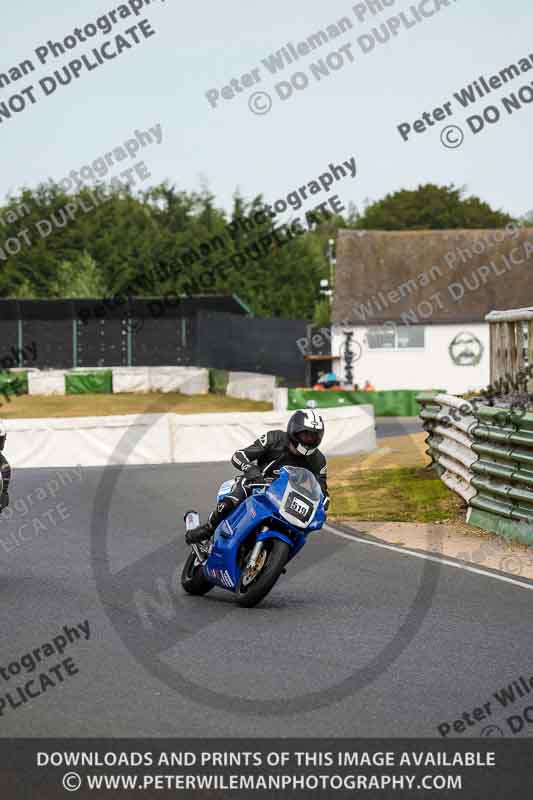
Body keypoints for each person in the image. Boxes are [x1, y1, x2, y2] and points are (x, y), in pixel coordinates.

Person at [185, 409, 330, 547]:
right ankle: (209, 528)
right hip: (257, 484)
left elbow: (322, 491)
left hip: (287, 498)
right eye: (306, 435)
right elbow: (239, 456)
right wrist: (251, 469)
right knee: (229, 503)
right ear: (294, 430)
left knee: (301, 532)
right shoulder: (274, 438)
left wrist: (323, 504)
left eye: (313, 436)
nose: (309, 440)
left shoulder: (319, 461)